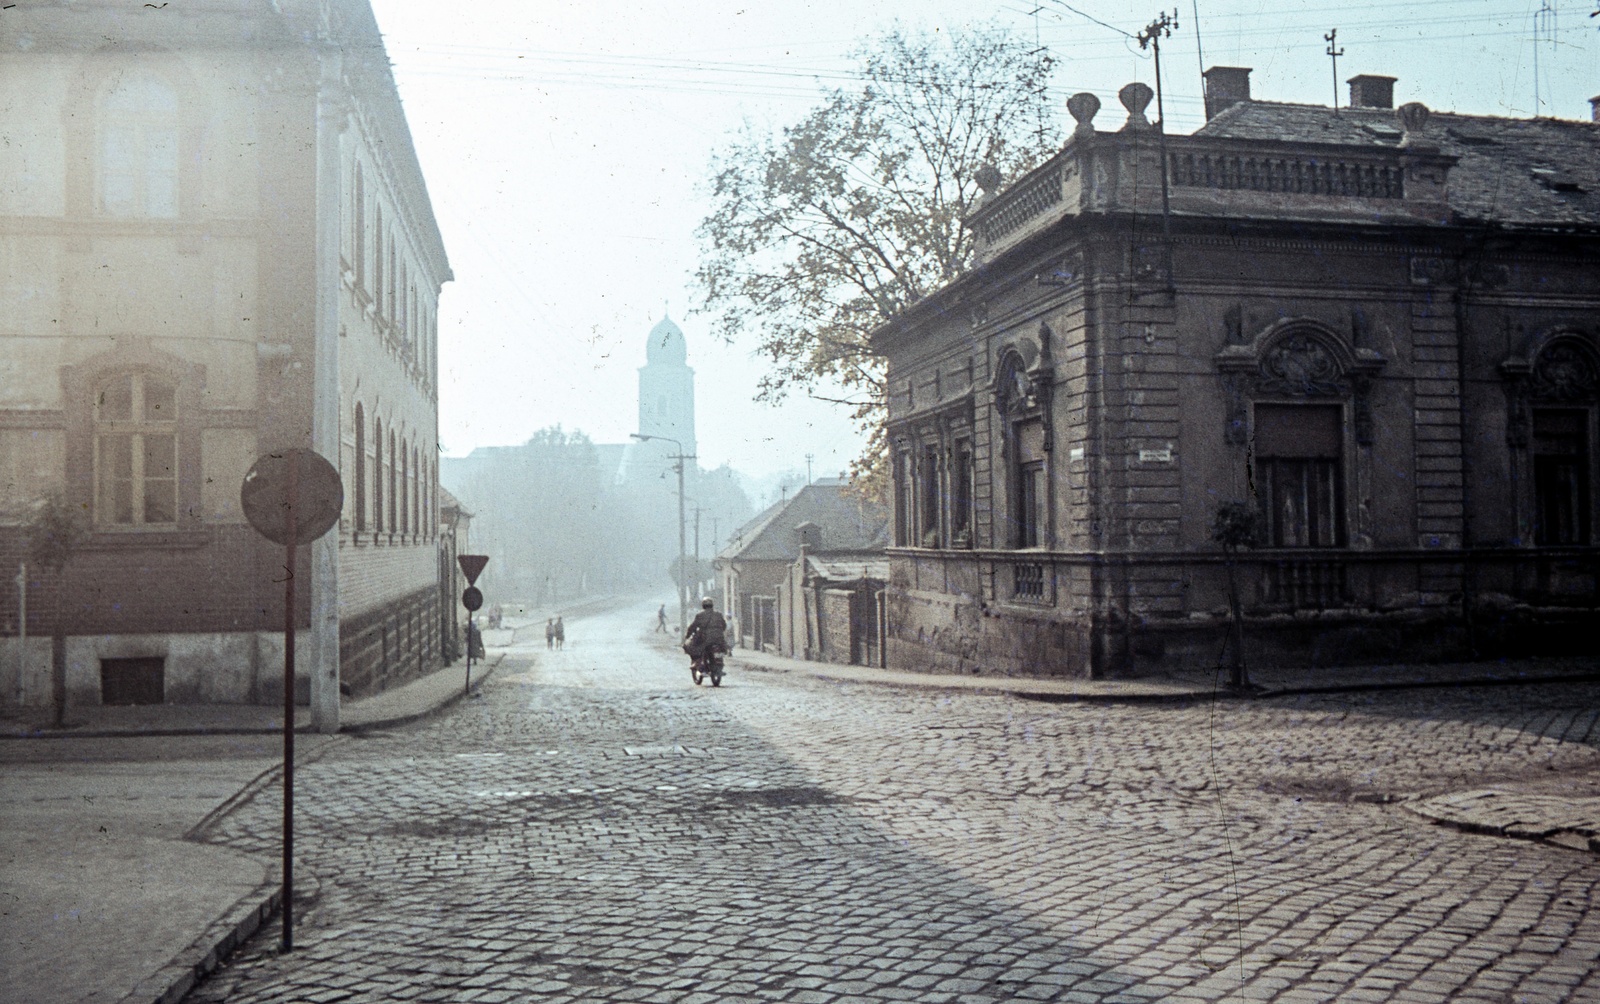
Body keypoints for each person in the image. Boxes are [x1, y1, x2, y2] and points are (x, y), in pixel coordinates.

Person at [683, 597, 727, 669]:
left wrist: (687, 636)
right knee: (722, 649)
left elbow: (693, 627)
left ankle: (696, 662)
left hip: (705, 639)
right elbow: (724, 625)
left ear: (703, 605)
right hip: (719, 638)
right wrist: (719, 632)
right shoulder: (718, 614)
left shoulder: (700, 615)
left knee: (692, 646)